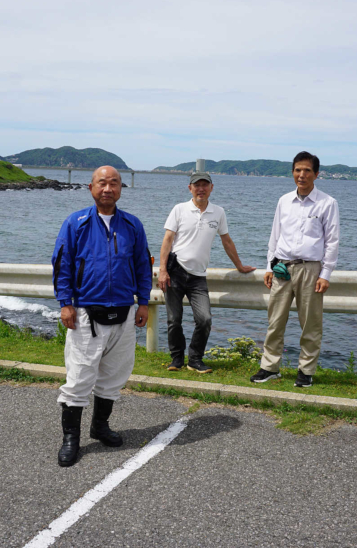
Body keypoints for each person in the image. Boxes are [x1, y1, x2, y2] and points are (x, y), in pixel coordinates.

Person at [51, 165, 153, 467]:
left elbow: (142, 265)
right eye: (102, 183)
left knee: (114, 376)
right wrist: (65, 303)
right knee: (80, 377)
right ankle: (71, 438)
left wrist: (143, 302)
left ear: (121, 188)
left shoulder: (132, 225)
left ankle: (100, 426)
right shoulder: (76, 223)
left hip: (124, 311)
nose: (108, 189)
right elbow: (62, 264)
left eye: (114, 183)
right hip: (86, 313)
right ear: (91, 188)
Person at [251, 151, 339, 388]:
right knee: (275, 321)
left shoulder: (327, 203)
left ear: (316, 174)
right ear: (292, 172)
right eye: (298, 170)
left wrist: (325, 274)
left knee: (310, 323)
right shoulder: (284, 201)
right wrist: (269, 267)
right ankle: (270, 367)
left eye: (307, 170)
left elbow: (332, 241)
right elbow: (275, 236)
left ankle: (306, 371)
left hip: (311, 269)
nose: (302, 175)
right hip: (282, 267)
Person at [158, 172, 255, 373]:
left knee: (204, 319)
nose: (200, 189)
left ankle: (195, 359)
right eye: (197, 185)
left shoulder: (218, 212)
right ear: (190, 188)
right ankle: (176, 359)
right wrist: (162, 270)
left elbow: (226, 241)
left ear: (211, 188)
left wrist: (239, 266)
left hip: (198, 276)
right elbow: (167, 239)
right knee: (174, 320)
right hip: (175, 271)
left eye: (205, 185)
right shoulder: (179, 209)